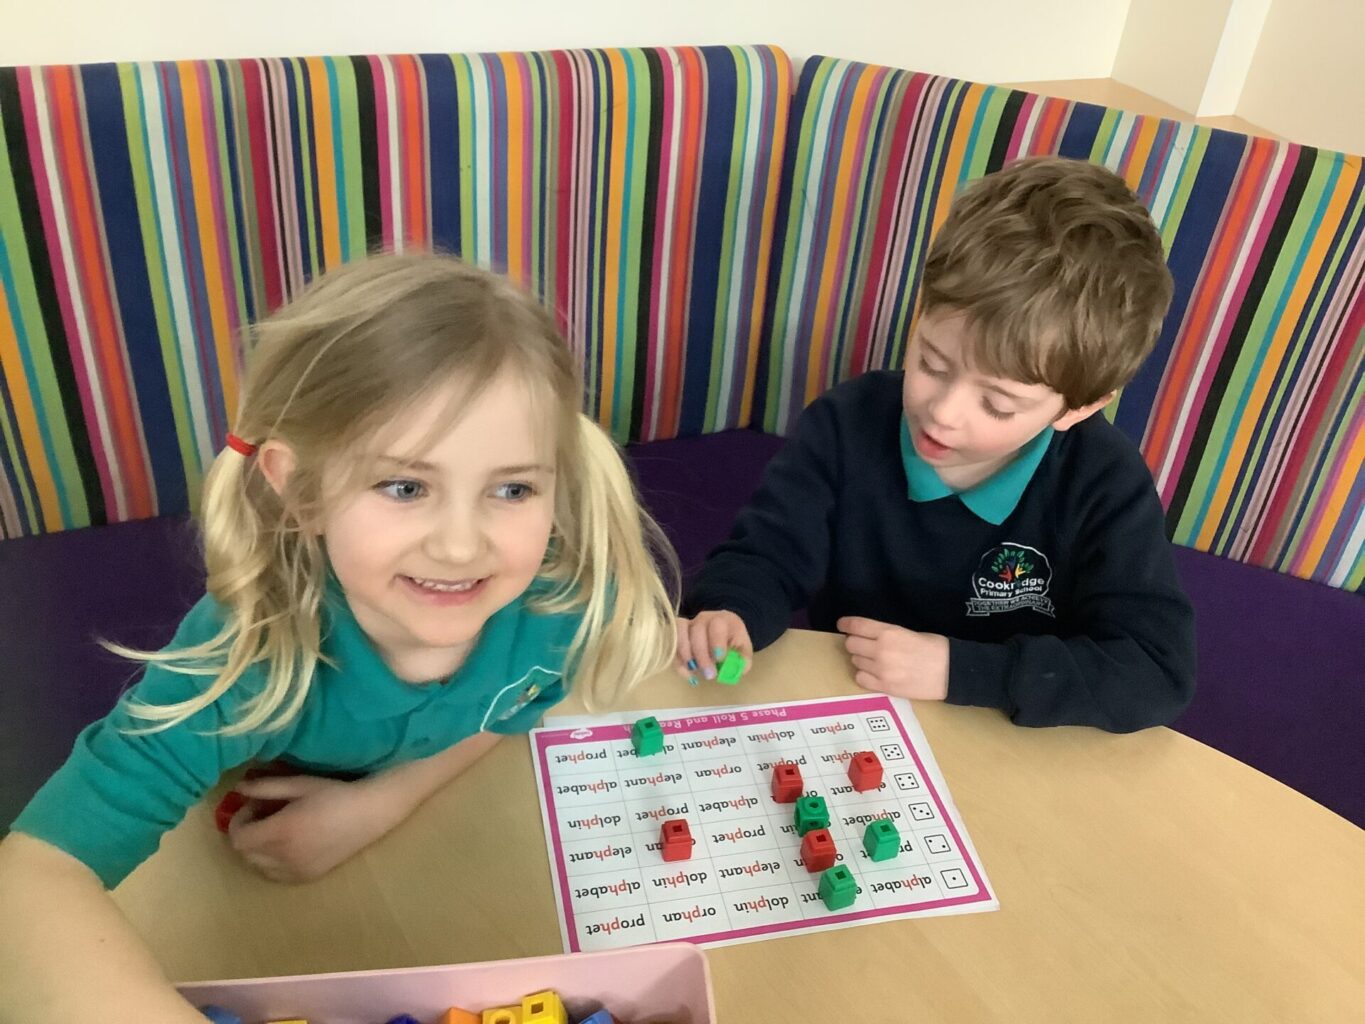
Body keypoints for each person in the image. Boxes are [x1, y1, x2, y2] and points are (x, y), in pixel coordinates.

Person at [0, 252, 677, 1020]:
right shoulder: (247, 656)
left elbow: (512, 708)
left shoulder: (564, 608)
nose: (461, 546)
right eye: (405, 487)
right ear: (302, 489)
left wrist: (382, 804)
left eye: (512, 488)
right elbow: (34, 875)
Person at [678, 156, 1196, 731]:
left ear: (1078, 408)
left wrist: (961, 671)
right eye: (931, 362)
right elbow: (766, 555)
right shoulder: (846, 423)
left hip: (1005, 734)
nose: (943, 413)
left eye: (997, 404)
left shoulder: (1104, 481)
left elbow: (1156, 670)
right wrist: (729, 610)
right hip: (858, 714)